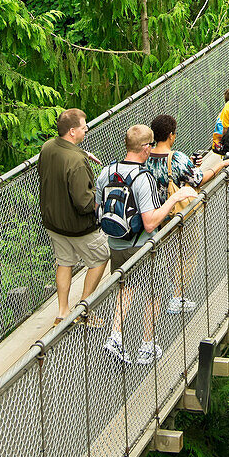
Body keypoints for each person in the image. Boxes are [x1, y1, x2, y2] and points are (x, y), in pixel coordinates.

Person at [96, 124, 197, 364]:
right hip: (141, 246)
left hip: (116, 244)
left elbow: (98, 206)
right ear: (145, 148)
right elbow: (150, 223)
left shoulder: (106, 172)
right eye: (150, 145)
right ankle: (146, 345)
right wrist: (174, 199)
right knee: (155, 293)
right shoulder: (144, 178)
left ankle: (116, 337)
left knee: (126, 288)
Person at [146, 114, 229, 314]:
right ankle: (177, 297)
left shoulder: (145, 156)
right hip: (180, 215)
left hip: (157, 215)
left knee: (169, 255)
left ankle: (171, 291)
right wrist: (219, 165)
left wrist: (192, 165)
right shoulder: (176, 158)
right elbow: (197, 180)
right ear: (170, 135)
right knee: (187, 256)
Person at [39, 108, 109, 327]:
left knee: (64, 262)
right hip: (78, 227)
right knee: (101, 257)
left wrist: (83, 154)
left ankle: (62, 312)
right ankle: (83, 309)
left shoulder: (48, 147)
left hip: (53, 223)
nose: (86, 129)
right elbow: (84, 203)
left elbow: (61, 159)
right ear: (72, 131)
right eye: (83, 126)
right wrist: (103, 199)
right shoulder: (76, 163)